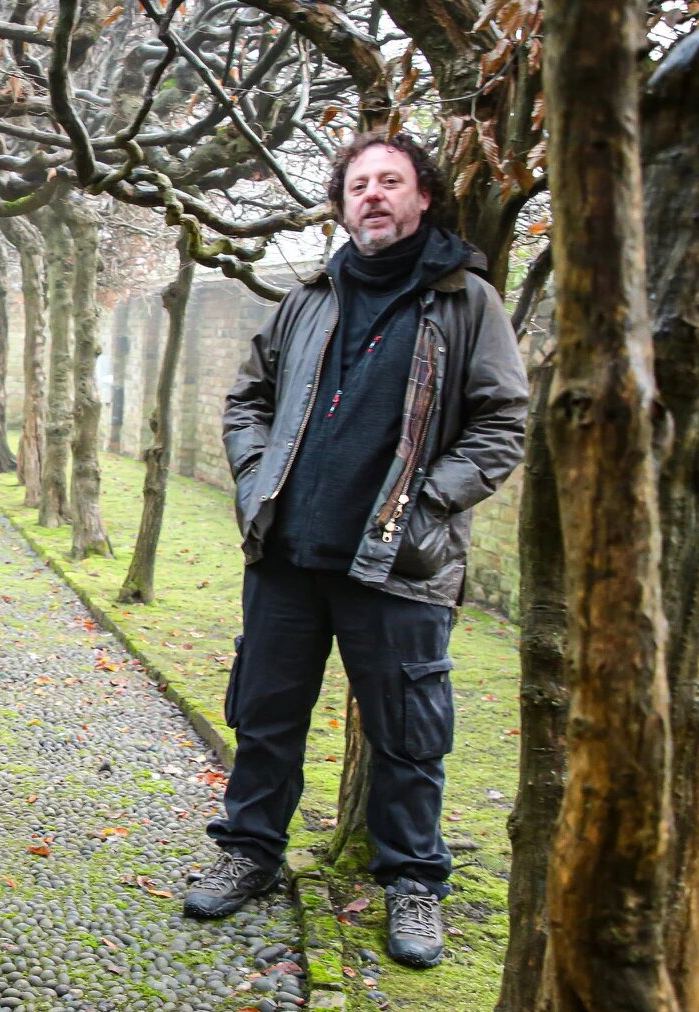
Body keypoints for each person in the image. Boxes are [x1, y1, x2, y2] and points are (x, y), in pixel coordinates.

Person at [184, 132, 528, 969]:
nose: (373, 194)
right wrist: (254, 481)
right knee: (265, 717)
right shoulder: (311, 295)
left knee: (410, 734)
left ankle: (412, 882)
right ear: (342, 205)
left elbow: (502, 423)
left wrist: (424, 504)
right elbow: (248, 400)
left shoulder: (466, 300)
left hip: (398, 566)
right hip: (287, 557)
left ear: (423, 196)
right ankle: (250, 852)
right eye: (358, 184)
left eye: (390, 181)